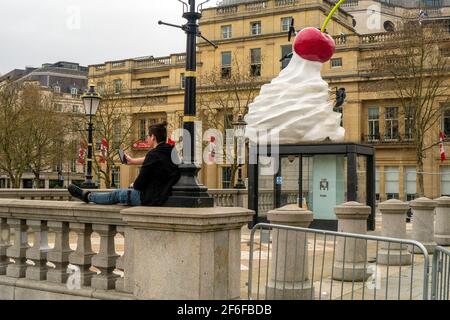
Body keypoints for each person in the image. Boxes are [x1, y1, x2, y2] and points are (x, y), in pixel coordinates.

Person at [68, 122, 180, 206]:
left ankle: (87, 196)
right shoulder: (171, 151)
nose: (146, 138)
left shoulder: (153, 155)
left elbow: (139, 184)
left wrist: (134, 185)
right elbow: (155, 159)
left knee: (117, 194)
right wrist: (131, 161)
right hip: (165, 195)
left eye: (148, 136)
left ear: (153, 137)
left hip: (150, 198)